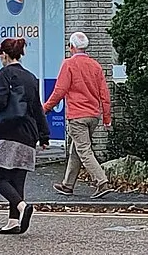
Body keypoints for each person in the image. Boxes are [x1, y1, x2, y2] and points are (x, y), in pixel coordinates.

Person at [0, 36, 47, 234]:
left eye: (0, 55)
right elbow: (37, 108)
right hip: (29, 134)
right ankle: (13, 222)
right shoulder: (30, 77)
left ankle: (22, 207)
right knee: (17, 179)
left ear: (4, 54)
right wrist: (44, 135)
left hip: (10, 132)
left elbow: (0, 101)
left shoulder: (4, 74)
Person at [43, 30, 113, 196]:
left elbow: (60, 90)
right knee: (77, 149)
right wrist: (107, 118)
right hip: (93, 116)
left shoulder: (68, 64)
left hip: (77, 115)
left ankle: (102, 182)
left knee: (84, 150)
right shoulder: (95, 66)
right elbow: (105, 94)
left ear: (71, 47)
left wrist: (46, 108)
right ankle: (68, 185)